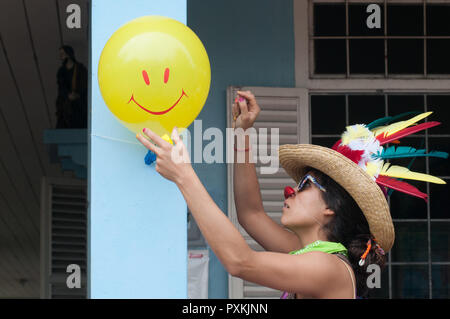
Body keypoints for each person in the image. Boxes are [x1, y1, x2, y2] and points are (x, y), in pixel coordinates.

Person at [136, 91, 447, 299]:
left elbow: (240, 262)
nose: (291, 190)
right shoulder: (308, 253)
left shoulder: (329, 267)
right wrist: (242, 132)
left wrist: (184, 175)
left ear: (331, 210)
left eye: (306, 185)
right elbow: (250, 214)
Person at [56, 45, 88, 128]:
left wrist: (77, 94)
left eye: (62, 54)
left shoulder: (80, 69)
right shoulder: (61, 71)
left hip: (80, 101)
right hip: (66, 101)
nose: (61, 57)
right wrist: (67, 95)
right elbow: (61, 86)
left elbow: (84, 84)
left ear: (69, 54)